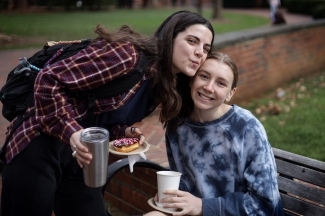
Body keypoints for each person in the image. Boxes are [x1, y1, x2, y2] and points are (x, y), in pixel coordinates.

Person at [1, 10, 214, 216]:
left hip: (82, 156)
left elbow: (102, 110)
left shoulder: (161, 84)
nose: (199, 53)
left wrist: (124, 132)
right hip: (39, 143)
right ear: (170, 37)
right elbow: (48, 80)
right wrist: (73, 132)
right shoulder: (127, 56)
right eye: (192, 41)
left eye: (206, 48)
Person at [144, 52, 284, 216]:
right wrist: (174, 197)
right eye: (204, 76)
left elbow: (265, 204)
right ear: (192, 80)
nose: (209, 87)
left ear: (231, 93)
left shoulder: (247, 128)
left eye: (221, 83)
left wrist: (203, 206)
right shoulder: (178, 125)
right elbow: (184, 181)